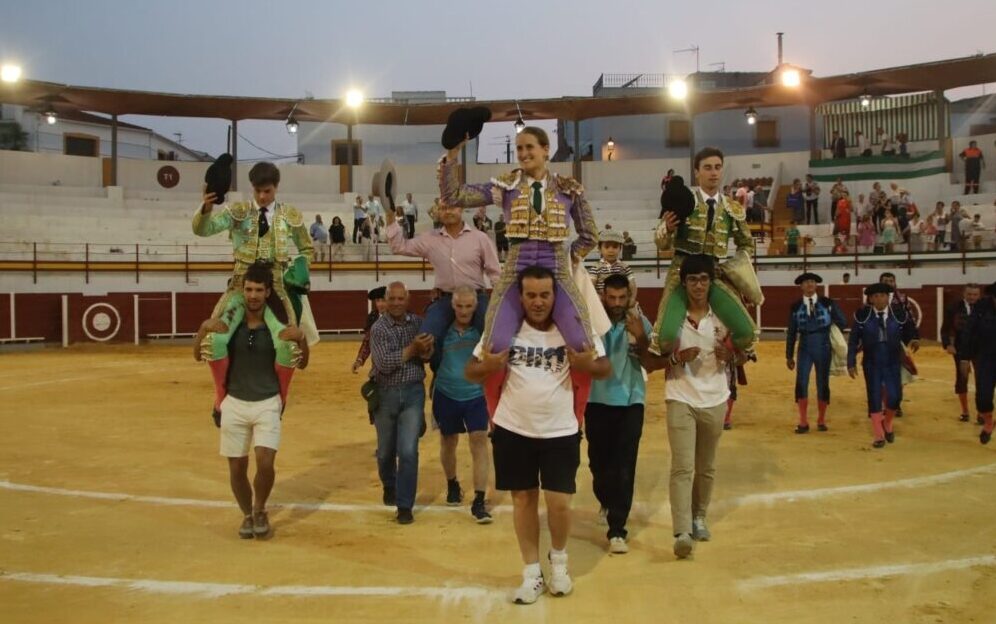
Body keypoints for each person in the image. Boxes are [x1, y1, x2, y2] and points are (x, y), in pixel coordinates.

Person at [465, 265, 610, 604]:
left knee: (559, 504)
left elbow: (603, 367)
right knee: (523, 500)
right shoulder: (502, 330)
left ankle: (558, 563)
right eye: (531, 295)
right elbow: (472, 370)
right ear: (520, 296)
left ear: (555, 295)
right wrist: (488, 366)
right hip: (514, 427)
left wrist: (585, 364)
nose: (538, 301)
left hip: (561, 429)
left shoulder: (575, 330)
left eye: (545, 294)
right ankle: (531, 572)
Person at [439, 126, 598, 355]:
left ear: (545, 150)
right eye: (519, 148)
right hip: (516, 270)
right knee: (495, 344)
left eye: (529, 147)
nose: (523, 153)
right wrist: (452, 155)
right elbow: (453, 196)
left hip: (557, 271)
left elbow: (589, 235)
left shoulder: (568, 188)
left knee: (581, 343)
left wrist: (570, 257)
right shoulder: (506, 185)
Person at [639, 254, 749, 559]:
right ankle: (682, 530)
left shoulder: (723, 317)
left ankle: (700, 516)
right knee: (683, 466)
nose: (698, 285)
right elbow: (652, 359)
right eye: (692, 280)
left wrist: (731, 358)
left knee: (707, 466)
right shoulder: (670, 319)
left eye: (703, 279)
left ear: (710, 282)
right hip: (680, 396)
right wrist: (675, 358)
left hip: (715, 396)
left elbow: (744, 354)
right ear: (684, 283)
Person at [193, 261, 309, 538]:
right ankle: (247, 514)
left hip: (267, 401)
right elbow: (199, 355)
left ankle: (259, 508)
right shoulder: (228, 325)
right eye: (248, 289)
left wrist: (302, 340)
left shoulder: (276, 326)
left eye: (258, 290)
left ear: (268, 292)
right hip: (234, 401)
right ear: (242, 291)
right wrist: (202, 330)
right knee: (236, 467)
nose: (253, 295)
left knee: (266, 463)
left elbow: (301, 364)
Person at [193, 162, 313, 424]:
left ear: (276, 188)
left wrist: (300, 269)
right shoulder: (238, 211)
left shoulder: (289, 215)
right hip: (241, 287)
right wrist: (206, 208)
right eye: (258, 191)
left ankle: (279, 401)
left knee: (289, 346)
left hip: (277, 287)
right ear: (252, 188)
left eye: (267, 191)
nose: (262, 197)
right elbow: (203, 230)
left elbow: (306, 248)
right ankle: (220, 400)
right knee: (214, 341)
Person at [653, 147, 760, 356]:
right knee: (664, 337)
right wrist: (667, 228)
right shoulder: (683, 200)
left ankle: (727, 359)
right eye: (708, 168)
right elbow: (661, 244)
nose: (713, 173)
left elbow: (746, 244)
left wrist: (732, 269)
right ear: (697, 172)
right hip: (680, 275)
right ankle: (677, 363)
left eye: (717, 167)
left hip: (713, 274)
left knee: (748, 332)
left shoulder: (732, 207)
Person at [385, 196, 500, 370]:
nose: (448, 211)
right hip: (445, 299)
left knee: (493, 336)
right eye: (444, 208)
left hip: (476, 298)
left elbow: (495, 272)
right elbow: (398, 247)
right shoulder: (429, 239)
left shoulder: (480, 238)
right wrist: (390, 217)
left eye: (452, 207)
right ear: (438, 212)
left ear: (461, 209)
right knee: (426, 338)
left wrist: (499, 302)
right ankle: (439, 375)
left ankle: (490, 380)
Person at [585, 274, 652, 554]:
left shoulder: (639, 321)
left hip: (630, 401)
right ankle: (606, 500)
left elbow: (654, 355)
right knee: (598, 465)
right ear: (603, 296)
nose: (616, 303)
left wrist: (641, 336)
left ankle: (617, 529)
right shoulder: (592, 322)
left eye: (621, 298)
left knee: (625, 466)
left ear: (629, 296)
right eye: (611, 298)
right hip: (596, 401)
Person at [370, 282, 434, 524]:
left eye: (400, 299)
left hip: (413, 393)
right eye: (392, 299)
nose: (396, 303)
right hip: (385, 394)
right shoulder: (378, 328)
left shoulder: (418, 323)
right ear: (385, 301)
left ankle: (405, 505)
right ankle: (389, 484)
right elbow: (384, 364)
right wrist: (413, 349)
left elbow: (427, 356)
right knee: (385, 452)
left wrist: (426, 350)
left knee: (408, 450)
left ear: (407, 300)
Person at [431, 286, 493, 523]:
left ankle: (479, 499)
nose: (464, 311)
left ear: (476, 307)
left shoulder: (482, 332)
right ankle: (452, 482)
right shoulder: (442, 330)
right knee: (448, 441)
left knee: (478, 441)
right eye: (459, 306)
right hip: (446, 393)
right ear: (452, 306)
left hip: (476, 395)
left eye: (469, 306)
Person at [847, 283, 919, 448]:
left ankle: (887, 423)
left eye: (883, 295)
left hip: (893, 361)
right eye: (876, 296)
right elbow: (853, 340)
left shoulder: (899, 314)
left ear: (888, 297)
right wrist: (851, 361)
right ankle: (878, 434)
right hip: (871, 363)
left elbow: (909, 331)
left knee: (895, 397)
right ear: (871, 299)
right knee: (874, 397)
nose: (879, 299)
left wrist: (913, 339)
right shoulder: (862, 315)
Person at [786, 272, 847, 433]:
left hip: (823, 345)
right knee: (801, 382)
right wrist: (789, 355)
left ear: (816, 285)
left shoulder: (828, 303)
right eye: (806, 282)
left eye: (812, 282)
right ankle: (803, 421)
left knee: (823, 383)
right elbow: (792, 332)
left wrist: (830, 331)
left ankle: (821, 419)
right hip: (804, 346)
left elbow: (842, 321)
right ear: (801, 286)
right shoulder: (795, 306)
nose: (809, 284)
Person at [941, 284, 982, 423]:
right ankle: (965, 411)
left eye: (975, 295)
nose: (972, 297)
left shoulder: (985, 308)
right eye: (969, 294)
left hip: (980, 349)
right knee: (962, 378)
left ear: (979, 295)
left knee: (982, 379)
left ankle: (981, 411)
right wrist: (948, 344)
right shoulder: (954, 307)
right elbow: (946, 327)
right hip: (960, 347)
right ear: (964, 294)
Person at [963, 282, 996, 444]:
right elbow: (969, 332)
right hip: (985, 357)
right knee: (983, 396)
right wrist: (964, 358)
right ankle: (989, 423)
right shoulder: (982, 307)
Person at [588, 229, 637, 306]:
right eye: (607, 247)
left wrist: (632, 298)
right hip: (602, 303)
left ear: (620, 248)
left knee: (635, 314)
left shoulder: (625, 267)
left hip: (620, 302)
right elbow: (590, 286)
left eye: (615, 247)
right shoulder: (596, 267)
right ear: (599, 249)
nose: (611, 250)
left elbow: (632, 285)